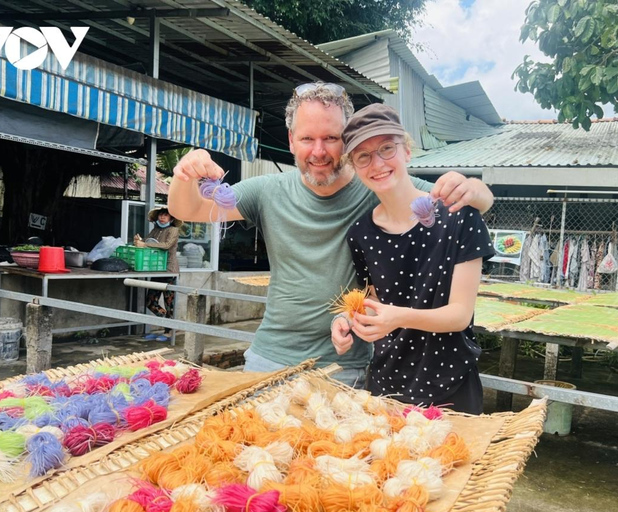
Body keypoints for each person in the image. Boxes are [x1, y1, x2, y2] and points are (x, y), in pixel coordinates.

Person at [168, 82, 494, 388]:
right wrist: (184, 174)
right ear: (291, 139)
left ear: (347, 142)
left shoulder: (376, 186)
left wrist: (473, 187)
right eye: (308, 139)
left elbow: (468, 201)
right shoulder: (268, 191)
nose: (319, 151)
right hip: (269, 359)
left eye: (331, 138)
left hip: (346, 366)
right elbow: (189, 211)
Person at [332, 103, 494, 413]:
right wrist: (349, 319)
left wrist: (397, 316)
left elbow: (460, 315)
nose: (377, 163)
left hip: (451, 385)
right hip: (386, 384)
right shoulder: (360, 234)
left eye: (386, 148)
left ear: (407, 150)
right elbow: (374, 302)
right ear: (353, 166)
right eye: (363, 156)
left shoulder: (460, 216)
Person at [136, 207, 181, 342]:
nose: (162, 217)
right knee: (150, 301)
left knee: (169, 303)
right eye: (161, 214)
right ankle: (171, 325)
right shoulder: (155, 229)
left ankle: (169, 331)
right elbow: (145, 241)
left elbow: (167, 245)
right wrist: (138, 241)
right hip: (156, 270)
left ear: (171, 218)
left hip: (169, 270)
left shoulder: (173, 230)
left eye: (166, 215)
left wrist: (144, 245)